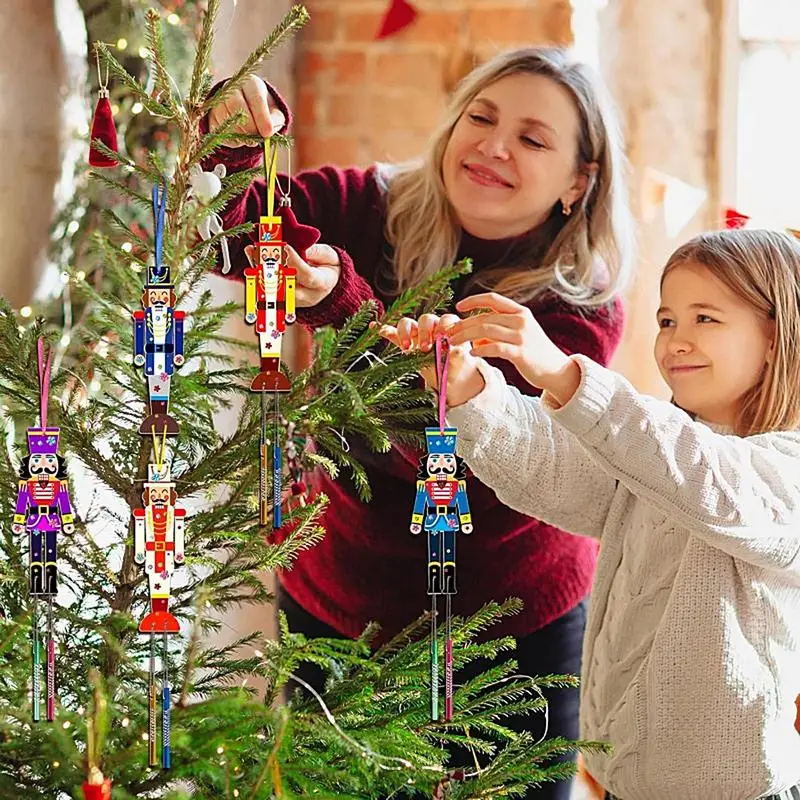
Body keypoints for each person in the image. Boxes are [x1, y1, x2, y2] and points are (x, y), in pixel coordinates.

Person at [204, 48, 635, 797]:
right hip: (339, 599)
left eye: (533, 139)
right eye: (482, 116)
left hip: (511, 625)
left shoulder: (577, 313)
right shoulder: (364, 206)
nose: (495, 146)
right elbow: (236, 244)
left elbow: (458, 456)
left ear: (579, 181)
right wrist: (242, 137)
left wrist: (342, 304)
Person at [379, 228, 800, 800]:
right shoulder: (654, 452)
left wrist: (561, 372)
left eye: (706, 319)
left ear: (778, 338)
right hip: (620, 784)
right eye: (667, 320)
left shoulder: (783, 467)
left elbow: (705, 479)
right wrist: (471, 387)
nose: (676, 340)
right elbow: (551, 466)